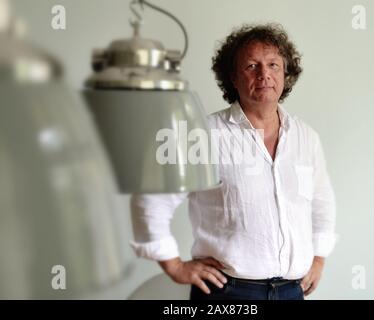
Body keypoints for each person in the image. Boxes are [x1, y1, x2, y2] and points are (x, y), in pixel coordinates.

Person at [130, 23, 337, 300]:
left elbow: (322, 202)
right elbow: (151, 198)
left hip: (292, 291)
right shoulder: (201, 134)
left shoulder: (306, 138)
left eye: (273, 64)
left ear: (285, 74)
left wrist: (319, 258)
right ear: (233, 77)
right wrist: (175, 266)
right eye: (252, 66)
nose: (264, 74)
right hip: (226, 293)